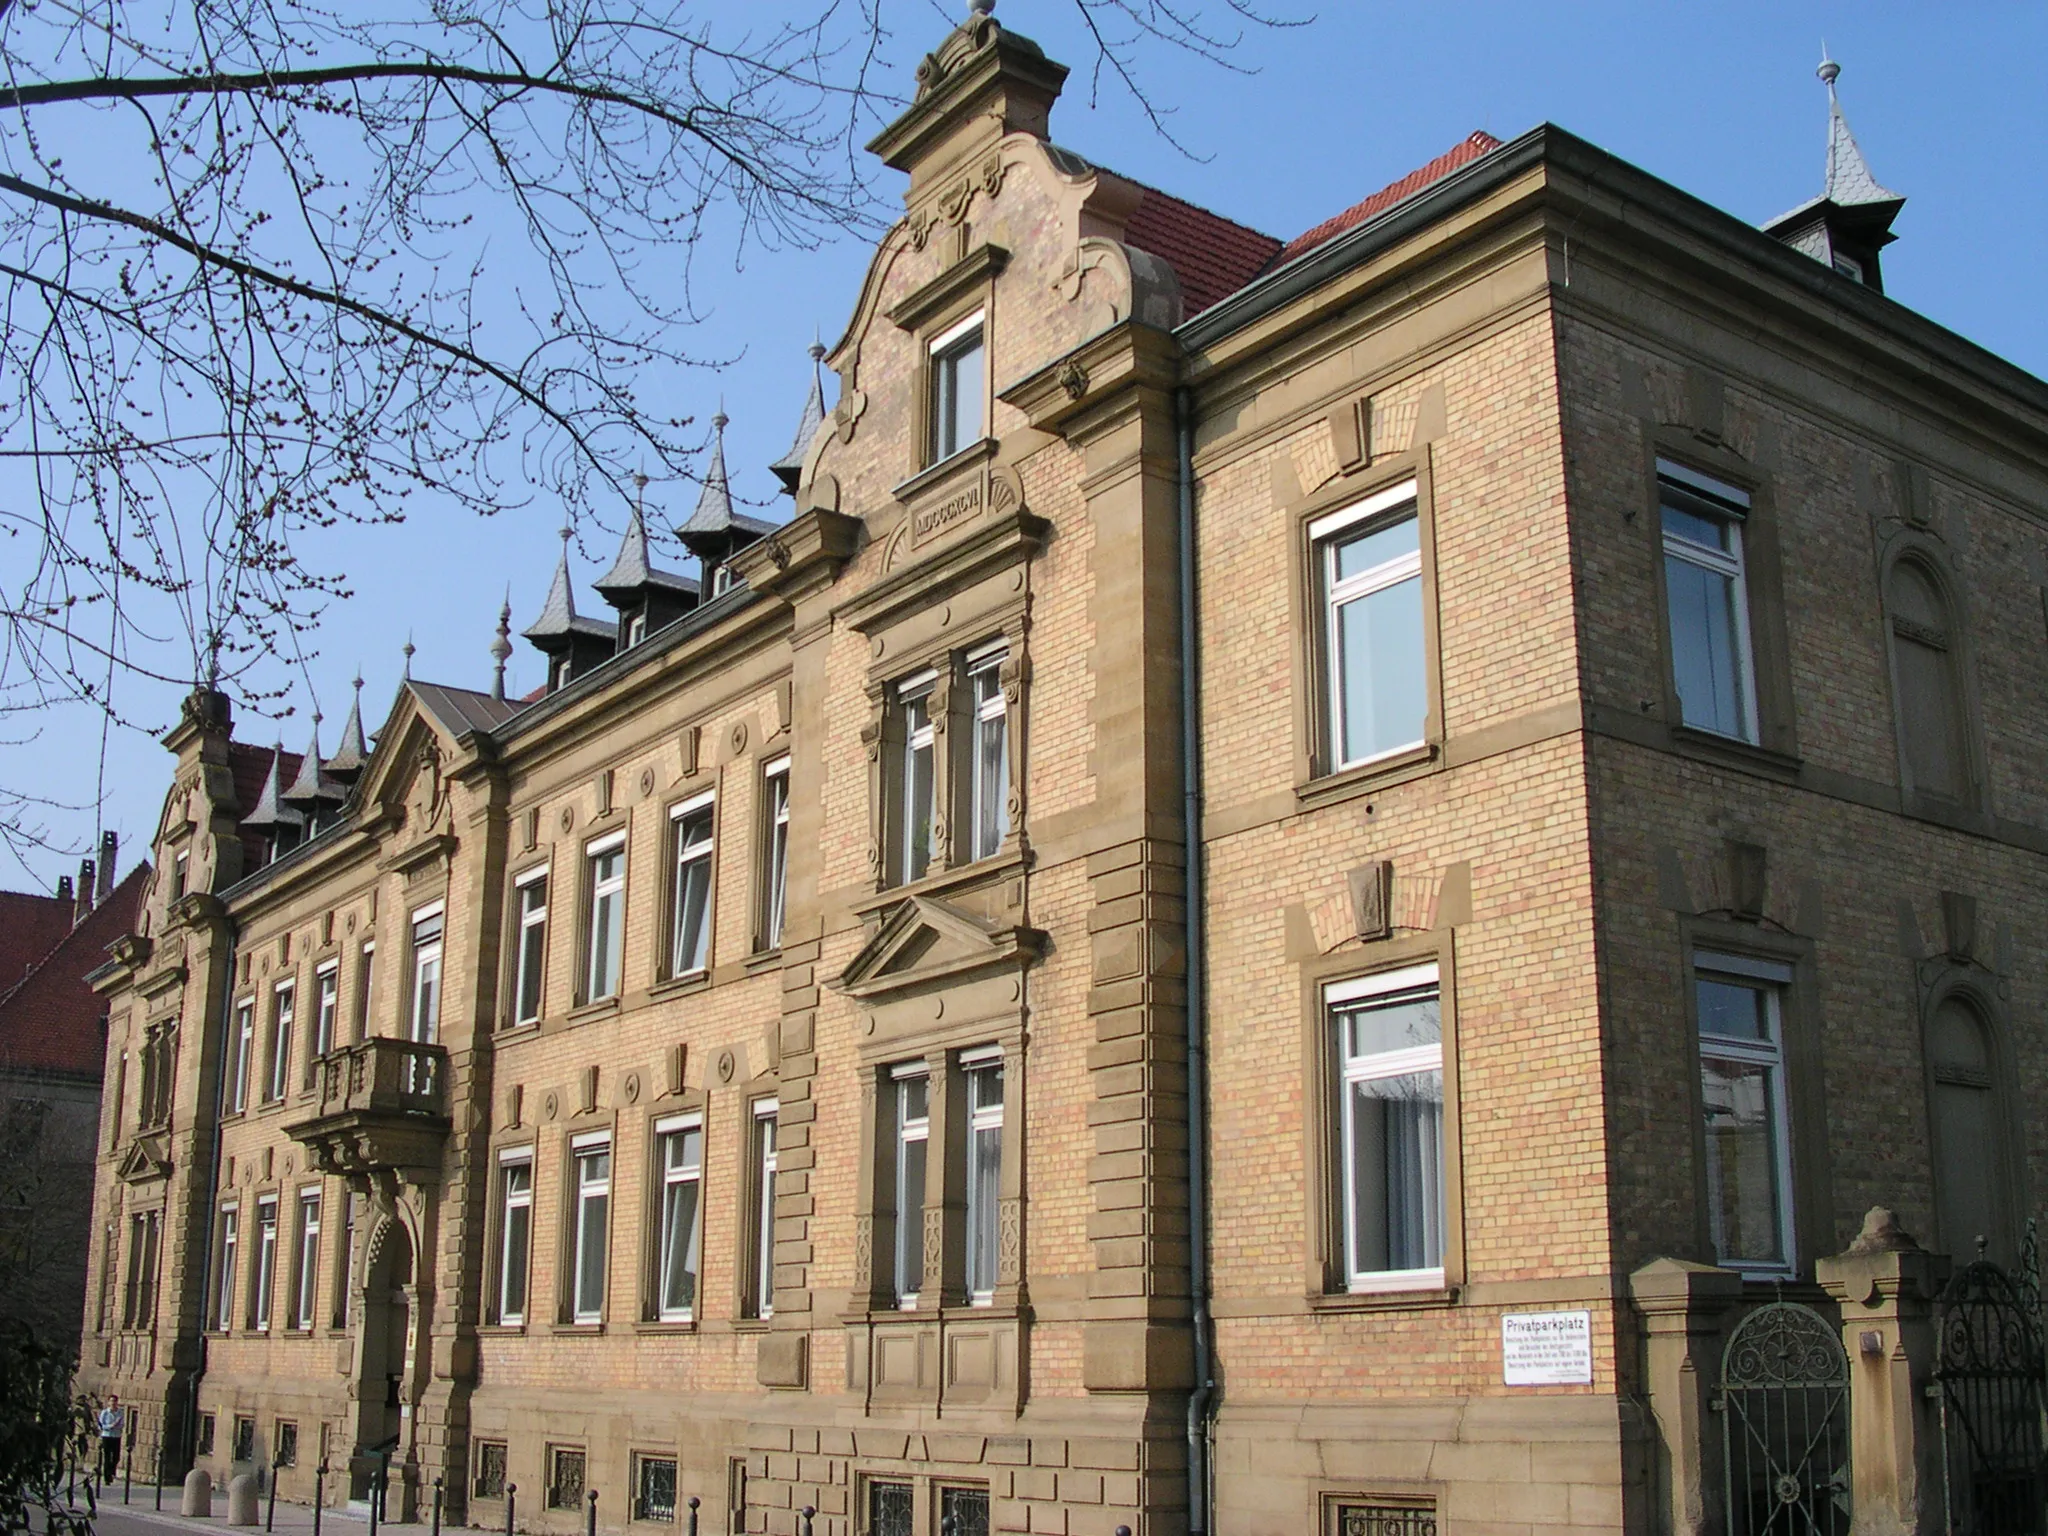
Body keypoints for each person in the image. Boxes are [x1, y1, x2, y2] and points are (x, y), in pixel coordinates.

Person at [96, 1395, 123, 1483]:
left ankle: (111, 1471)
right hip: (106, 1436)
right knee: (107, 1457)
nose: (113, 1403)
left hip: (116, 1436)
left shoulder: (120, 1412)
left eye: (114, 1401)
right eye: (111, 1401)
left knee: (116, 1457)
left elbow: (122, 1424)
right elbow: (101, 1425)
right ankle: (107, 1478)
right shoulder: (105, 1412)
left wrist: (116, 1426)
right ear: (108, 1402)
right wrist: (110, 1426)